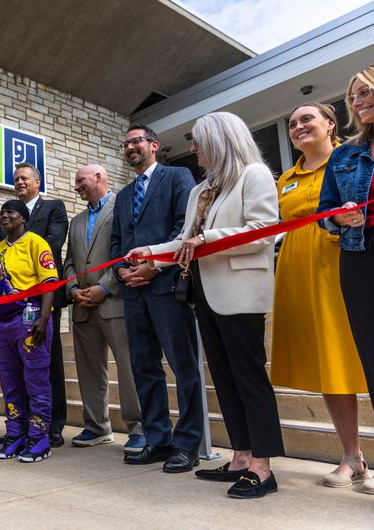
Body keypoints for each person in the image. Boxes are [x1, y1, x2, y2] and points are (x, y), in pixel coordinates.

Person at [130, 112, 284, 499]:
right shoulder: (202, 191)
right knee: (226, 380)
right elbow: (186, 240)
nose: (193, 149)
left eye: (198, 141)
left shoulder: (255, 175)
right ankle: (240, 458)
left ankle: (263, 469)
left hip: (241, 294)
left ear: (219, 140)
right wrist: (153, 251)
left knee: (249, 379)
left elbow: (264, 232)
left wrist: (209, 237)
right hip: (204, 293)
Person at [271, 103, 368, 488]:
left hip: (343, 263)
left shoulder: (353, 159)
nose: (298, 126)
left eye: (307, 119)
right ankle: (352, 457)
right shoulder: (285, 179)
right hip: (298, 271)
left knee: (358, 358)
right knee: (330, 365)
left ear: (331, 124)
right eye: (292, 123)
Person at [110, 125, 203, 473]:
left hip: (168, 288)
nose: (131, 147)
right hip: (133, 294)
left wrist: (154, 266)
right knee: (144, 369)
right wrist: (122, 271)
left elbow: (185, 228)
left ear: (154, 145)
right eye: (126, 144)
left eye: (137, 141)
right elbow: (117, 244)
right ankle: (158, 439)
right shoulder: (122, 196)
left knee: (184, 367)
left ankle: (188, 442)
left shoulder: (178, 177)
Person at [318, 65, 374, 496]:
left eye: (366, 90)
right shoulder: (343, 155)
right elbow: (327, 212)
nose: (359, 100)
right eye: (354, 95)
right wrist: (340, 216)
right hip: (359, 258)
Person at [64, 164, 144, 451]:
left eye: (80, 180)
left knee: (128, 367)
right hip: (82, 306)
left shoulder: (121, 207)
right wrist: (73, 289)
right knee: (88, 371)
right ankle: (96, 426)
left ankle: (138, 428)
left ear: (99, 177)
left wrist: (105, 287)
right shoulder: (76, 221)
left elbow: (127, 252)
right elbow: (70, 261)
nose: (76, 187)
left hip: (115, 301)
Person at [0, 162, 69, 448]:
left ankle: (51, 426)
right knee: (15, 370)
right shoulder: (6, 221)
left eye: (24, 178)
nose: (19, 182)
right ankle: (21, 425)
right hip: (8, 310)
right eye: (16, 179)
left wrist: (23, 238)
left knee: (47, 364)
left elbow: (53, 241)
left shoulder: (53, 208)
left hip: (41, 301)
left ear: (38, 181)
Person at [0, 200, 58, 462]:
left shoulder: (36, 243)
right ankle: (15, 433)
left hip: (29, 319)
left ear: (24, 218)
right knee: (10, 382)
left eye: (11, 212)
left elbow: (50, 283)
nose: (5, 215)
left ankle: (39, 437)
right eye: (2, 212)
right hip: (3, 322)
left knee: (36, 381)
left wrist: (43, 317)